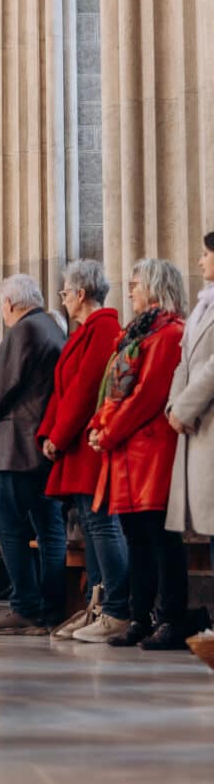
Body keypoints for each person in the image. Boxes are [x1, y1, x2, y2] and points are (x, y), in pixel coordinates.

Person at [88, 258, 187, 649]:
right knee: (136, 538)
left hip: (152, 449)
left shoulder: (169, 333)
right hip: (127, 451)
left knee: (161, 537)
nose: (129, 289)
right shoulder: (135, 334)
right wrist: (99, 426)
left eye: (135, 283)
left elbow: (147, 395)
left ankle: (172, 618)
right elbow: (114, 391)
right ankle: (139, 615)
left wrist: (108, 432)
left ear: (155, 286)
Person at [0, 273, 66, 635]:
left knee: (10, 530)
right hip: (40, 447)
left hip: (15, 449)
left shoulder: (24, 331)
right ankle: (52, 608)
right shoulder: (53, 328)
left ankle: (25, 607)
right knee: (50, 529)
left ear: (9, 304)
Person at [38, 259, 128, 642]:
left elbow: (85, 388)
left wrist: (57, 435)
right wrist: (50, 432)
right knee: (92, 527)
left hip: (90, 443)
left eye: (64, 292)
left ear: (80, 293)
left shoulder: (103, 327)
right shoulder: (85, 330)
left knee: (102, 524)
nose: (62, 299)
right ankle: (97, 606)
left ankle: (117, 609)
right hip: (77, 444)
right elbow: (64, 387)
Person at [166, 233, 214, 582]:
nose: (200, 261)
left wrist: (183, 409)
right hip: (194, 424)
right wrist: (173, 405)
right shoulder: (202, 305)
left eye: (204, 254)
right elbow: (184, 361)